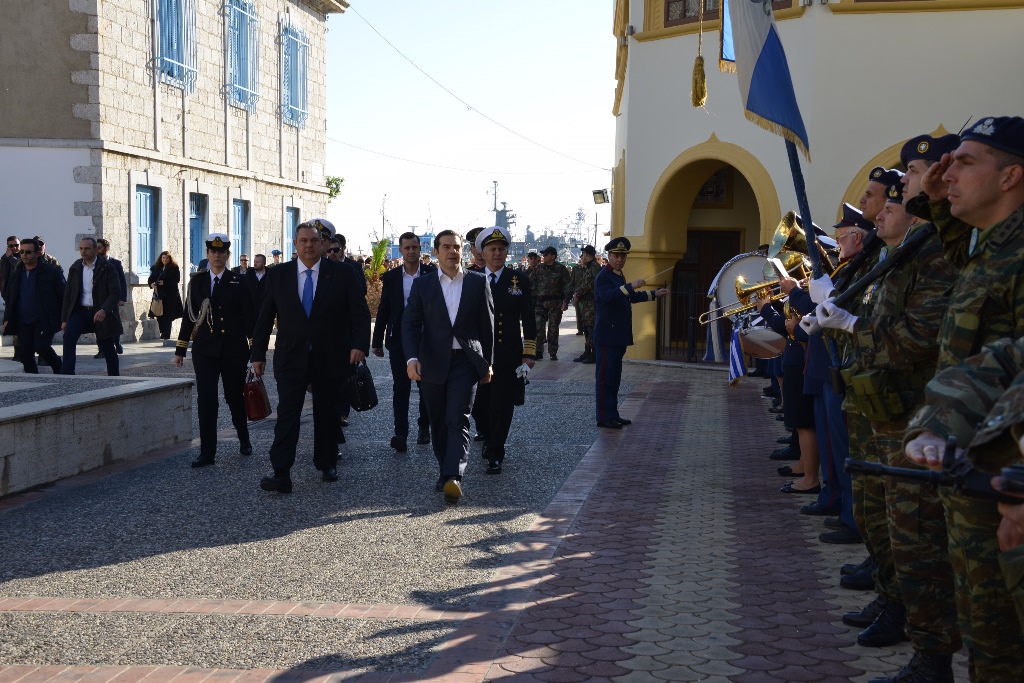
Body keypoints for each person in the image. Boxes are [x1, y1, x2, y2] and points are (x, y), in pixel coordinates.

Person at [817, 144, 962, 680]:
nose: (875, 214)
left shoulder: (936, 251)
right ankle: (895, 602)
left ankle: (929, 648)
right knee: (883, 521)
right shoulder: (900, 255)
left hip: (914, 413)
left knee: (916, 537)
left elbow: (917, 337)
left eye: (888, 203)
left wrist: (853, 326)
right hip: (881, 407)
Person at [903, 116, 1024, 681]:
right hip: (973, 468)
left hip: (1006, 485)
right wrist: (935, 200)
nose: (946, 173)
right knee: (985, 634)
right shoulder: (991, 247)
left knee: (1002, 647)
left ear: (1011, 177)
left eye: (965, 162)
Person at [250, 221, 371, 493]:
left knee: (327, 412)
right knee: (287, 414)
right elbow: (265, 317)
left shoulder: (342, 273)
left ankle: (327, 463)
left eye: (314, 241)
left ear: (323, 244)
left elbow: (360, 313)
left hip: (330, 356)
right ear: (295, 244)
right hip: (291, 356)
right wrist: (257, 354)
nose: (309, 246)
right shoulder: (278, 274)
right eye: (303, 241)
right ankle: (281, 472)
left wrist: (360, 345)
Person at [403, 230, 493, 504]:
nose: (452, 251)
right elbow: (410, 324)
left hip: (465, 362)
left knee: (458, 417)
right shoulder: (423, 285)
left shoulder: (478, 282)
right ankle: (445, 471)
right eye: (446, 247)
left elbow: (487, 326)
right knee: (439, 421)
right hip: (432, 362)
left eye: (456, 247)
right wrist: (412, 359)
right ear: (436, 251)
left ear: (463, 250)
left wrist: (487, 363)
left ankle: (454, 475)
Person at [175, 233, 256, 468]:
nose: (217, 256)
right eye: (213, 252)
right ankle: (207, 452)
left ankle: (244, 438)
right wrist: (181, 348)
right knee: (206, 400)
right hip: (205, 350)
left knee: (234, 397)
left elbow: (249, 316)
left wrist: (255, 349)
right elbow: (189, 315)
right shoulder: (197, 282)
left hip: (233, 349)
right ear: (208, 254)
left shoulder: (239, 281)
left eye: (221, 252)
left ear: (227, 255)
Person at [473, 227, 537, 474]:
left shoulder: (518, 280)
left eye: (501, 249)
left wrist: (529, 352)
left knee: (502, 406)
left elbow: (528, 318)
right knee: (478, 405)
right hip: (478, 354)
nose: (497, 253)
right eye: (492, 249)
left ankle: (495, 452)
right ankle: (488, 436)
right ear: (483, 253)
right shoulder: (471, 278)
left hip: (507, 353)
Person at [593, 237, 668, 428]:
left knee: (614, 378)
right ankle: (604, 417)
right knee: (605, 378)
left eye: (623, 256)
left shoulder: (618, 276)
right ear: (609, 256)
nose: (620, 260)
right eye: (616, 256)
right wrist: (630, 286)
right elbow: (608, 296)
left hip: (618, 335)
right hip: (607, 336)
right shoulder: (603, 277)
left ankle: (612, 413)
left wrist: (654, 294)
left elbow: (630, 297)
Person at [372, 232, 435, 452]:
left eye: (414, 247)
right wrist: (377, 340)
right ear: (400, 250)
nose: (411, 251)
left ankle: (424, 427)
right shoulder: (391, 277)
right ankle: (400, 433)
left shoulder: (431, 274)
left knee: (425, 386)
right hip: (399, 340)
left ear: (420, 249)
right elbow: (384, 309)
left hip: (426, 339)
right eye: (407, 248)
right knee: (401, 386)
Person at [61, 237, 122, 376]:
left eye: (87, 248)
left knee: (106, 344)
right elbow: (68, 294)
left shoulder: (107, 267)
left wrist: (104, 309)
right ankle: (67, 374)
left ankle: (114, 376)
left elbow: (115, 292)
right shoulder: (76, 267)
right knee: (69, 337)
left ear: (95, 250)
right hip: (81, 311)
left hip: (100, 311)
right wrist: (64, 319)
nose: (83, 251)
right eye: (81, 248)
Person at [2, 238, 64, 374]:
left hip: (43, 318)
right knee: (24, 352)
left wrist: (63, 318)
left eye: (28, 252)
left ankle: (60, 368)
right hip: (22, 320)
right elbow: (11, 298)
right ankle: (32, 377)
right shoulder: (17, 272)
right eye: (22, 252)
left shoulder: (51, 272)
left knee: (42, 347)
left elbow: (63, 295)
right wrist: (7, 318)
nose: (24, 255)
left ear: (37, 253)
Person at [531, 246, 572, 360]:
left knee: (553, 328)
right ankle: (538, 350)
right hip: (540, 303)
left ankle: (553, 352)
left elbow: (568, 286)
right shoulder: (539, 268)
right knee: (538, 327)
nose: (543, 257)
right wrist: (533, 297)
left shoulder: (561, 269)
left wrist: (566, 301)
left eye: (545, 255)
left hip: (555, 303)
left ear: (553, 256)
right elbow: (531, 283)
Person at [95, 239, 126, 356]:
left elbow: (122, 281)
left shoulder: (115, 263)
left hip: (113, 298)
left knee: (113, 321)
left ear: (106, 248)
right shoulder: (94, 263)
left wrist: (122, 298)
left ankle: (116, 341)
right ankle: (101, 349)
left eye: (99, 247)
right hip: (99, 298)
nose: (97, 250)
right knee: (99, 323)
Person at [572, 245, 601, 363]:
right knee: (586, 327)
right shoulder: (589, 266)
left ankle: (594, 354)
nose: (583, 256)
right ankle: (587, 351)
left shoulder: (594, 267)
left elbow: (588, 284)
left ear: (587, 254)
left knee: (591, 327)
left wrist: (578, 294)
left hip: (590, 303)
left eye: (584, 254)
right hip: (586, 303)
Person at [148, 251, 183, 340]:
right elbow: (151, 278)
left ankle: (166, 335)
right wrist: (151, 284)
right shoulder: (156, 268)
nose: (165, 260)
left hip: (170, 296)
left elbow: (176, 279)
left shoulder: (174, 267)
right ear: (161, 258)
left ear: (170, 259)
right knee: (159, 315)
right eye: (163, 258)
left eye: (167, 258)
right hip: (159, 295)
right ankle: (163, 332)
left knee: (168, 316)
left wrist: (165, 282)